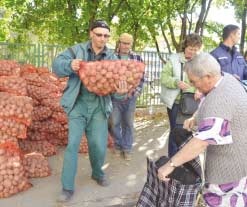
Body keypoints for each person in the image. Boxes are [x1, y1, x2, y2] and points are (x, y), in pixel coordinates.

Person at [52, 20, 128, 202]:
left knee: (98, 145)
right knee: (72, 145)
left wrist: (120, 93)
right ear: (91, 34)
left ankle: (97, 173)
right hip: (77, 104)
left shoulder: (112, 58)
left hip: (99, 106)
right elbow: (56, 66)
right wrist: (70, 65)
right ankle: (67, 187)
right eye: (99, 34)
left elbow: (117, 89)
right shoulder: (75, 51)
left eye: (106, 35)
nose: (103, 38)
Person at [158, 52, 247, 207]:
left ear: (207, 77)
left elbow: (200, 142)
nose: (193, 86)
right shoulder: (225, 79)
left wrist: (169, 165)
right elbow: (209, 101)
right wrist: (195, 118)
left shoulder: (221, 100)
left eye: (193, 81)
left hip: (229, 177)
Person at [160, 33, 202, 157]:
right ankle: (172, 161)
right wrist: (176, 82)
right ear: (185, 47)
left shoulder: (200, 61)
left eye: (195, 50)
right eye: (190, 49)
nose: (192, 52)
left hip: (192, 102)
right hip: (176, 103)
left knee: (189, 132)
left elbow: (204, 80)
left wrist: (199, 89)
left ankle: (185, 162)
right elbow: (164, 78)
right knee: (176, 132)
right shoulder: (174, 59)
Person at [109, 33, 145, 161]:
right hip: (115, 97)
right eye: (123, 43)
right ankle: (118, 146)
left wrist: (134, 93)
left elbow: (142, 78)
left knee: (128, 124)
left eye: (128, 43)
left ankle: (127, 148)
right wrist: (113, 91)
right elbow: (106, 78)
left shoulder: (137, 58)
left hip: (131, 98)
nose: (125, 46)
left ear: (131, 44)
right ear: (119, 43)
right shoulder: (111, 57)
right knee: (114, 123)